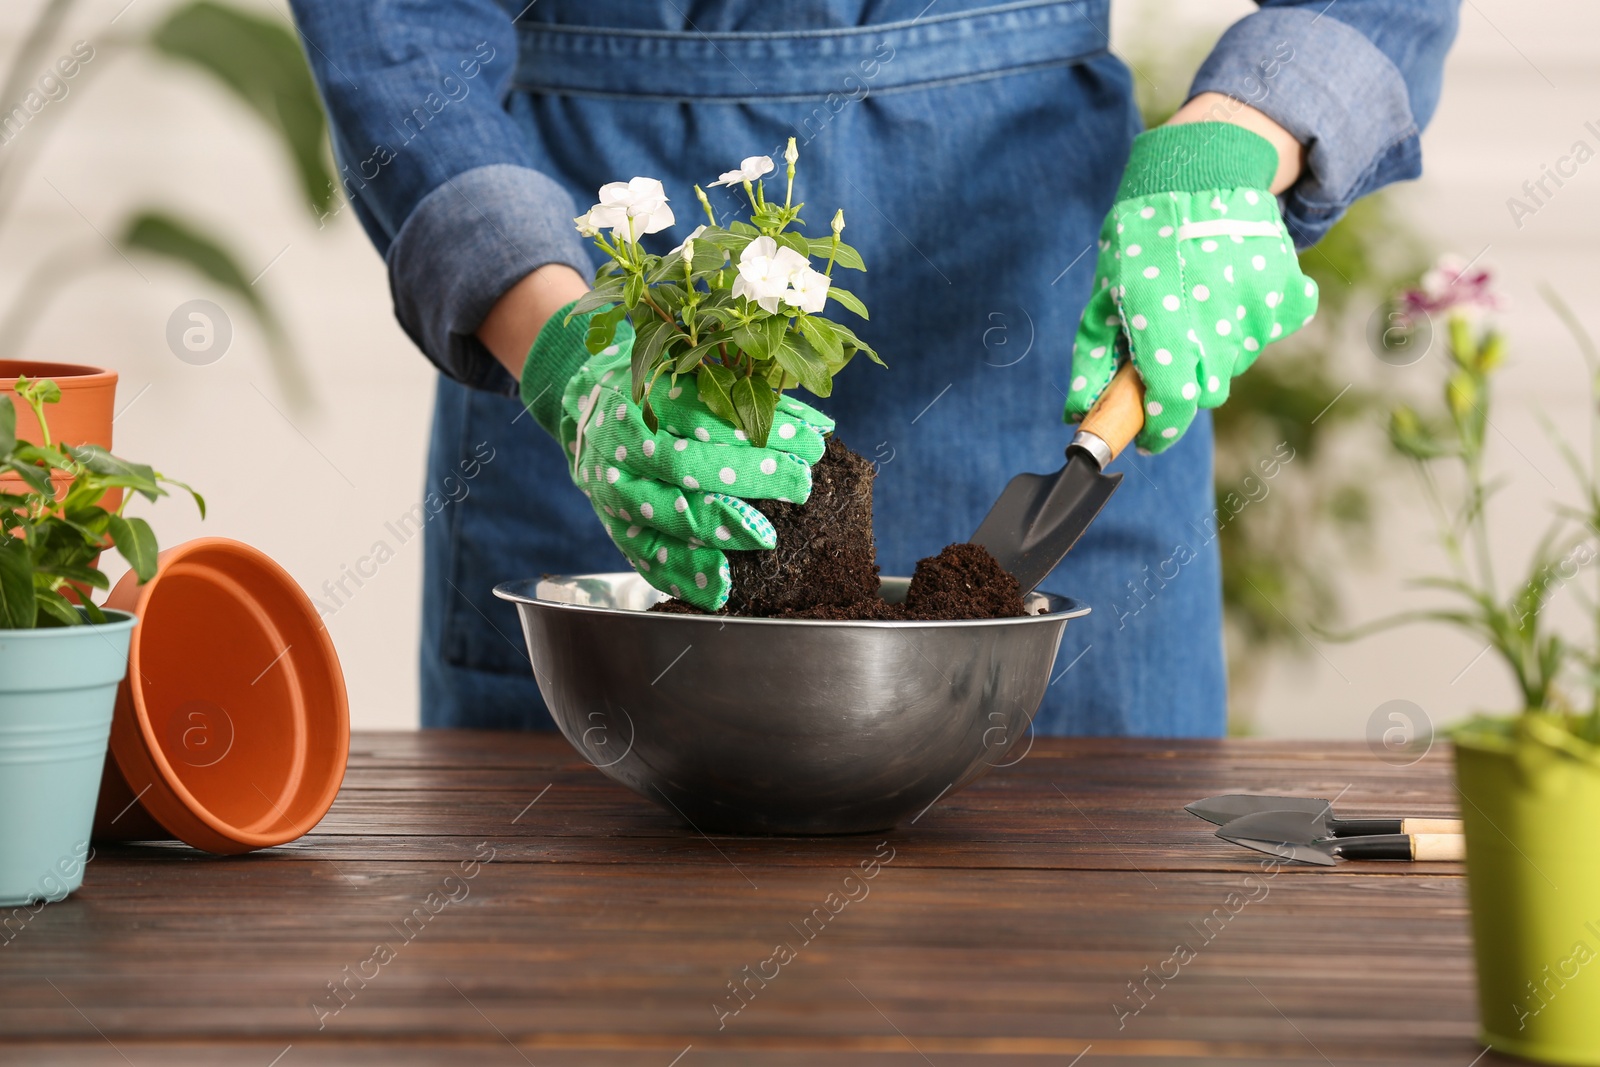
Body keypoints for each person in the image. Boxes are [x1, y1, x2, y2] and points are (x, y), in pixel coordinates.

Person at [287, 0, 1459, 736]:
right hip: (602, 293)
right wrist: (566, 351)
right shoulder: (586, 354)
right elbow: (399, 32)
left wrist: (1239, 138)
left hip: (1034, 297)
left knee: (1090, 964)